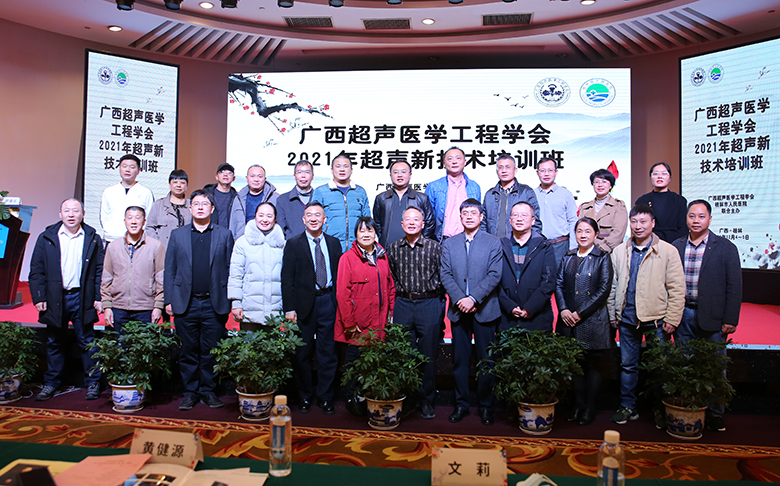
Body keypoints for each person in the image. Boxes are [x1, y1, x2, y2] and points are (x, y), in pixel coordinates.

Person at [607, 204, 685, 426]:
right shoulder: (619, 251)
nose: (638, 226)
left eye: (643, 221)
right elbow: (612, 286)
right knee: (628, 366)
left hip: (657, 319)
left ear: (653, 224)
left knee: (658, 365)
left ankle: (659, 409)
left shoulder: (668, 251)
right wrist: (613, 313)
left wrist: (672, 318)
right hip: (627, 319)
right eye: (634, 221)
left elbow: (677, 288)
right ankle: (627, 406)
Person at [671, 199, 742, 432]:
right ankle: (689, 408)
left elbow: (734, 286)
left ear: (710, 219)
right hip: (683, 314)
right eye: (692, 216)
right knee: (685, 363)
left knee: (715, 366)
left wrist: (730, 318)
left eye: (701, 216)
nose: (696, 220)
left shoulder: (725, 247)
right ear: (686, 218)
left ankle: (714, 412)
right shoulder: (677, 246)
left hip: (713, 316)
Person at [164, 190, 234, 411]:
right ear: (190, 208)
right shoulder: (178, 235)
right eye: (196, 204)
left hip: (214, 303)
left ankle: (209, 391)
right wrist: (169, 299)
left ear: (212, 209)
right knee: (188, 351)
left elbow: (231, 269)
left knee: (211, 350)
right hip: (186, 303)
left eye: (205, 204)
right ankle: (190, 393)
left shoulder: (224, 235)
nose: (201, 207)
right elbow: (170, 269)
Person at [29, 198, 104, 401]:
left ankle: (93, 383)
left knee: (87, 341)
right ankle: (51, 383)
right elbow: (36, 270)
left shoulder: (93, 238)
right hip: (55, 297)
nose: (71, 214)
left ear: (83, 214)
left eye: (75, 211)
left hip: (82, 296)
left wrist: (98, 297)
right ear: (60, 214)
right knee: (54, 341)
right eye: (67, 210)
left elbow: (100, 270)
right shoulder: (46, 237)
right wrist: (39, 296)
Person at [440, 199, 502, 426]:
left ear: (481, 217)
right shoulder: (450, 243)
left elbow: (495, 274)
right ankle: (461, 405)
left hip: (485, 310)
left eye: (473, 213)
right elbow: (445, 274)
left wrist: (473, 298)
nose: (468, 216)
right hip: (459, 312)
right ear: (460, 217)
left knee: (487, 361)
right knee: (460, 361)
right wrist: (460, 300)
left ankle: (486, 406)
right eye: (465, 212)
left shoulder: (493, 242)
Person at [282, 201, 342, 415]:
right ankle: (305, 396)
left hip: (329, 302)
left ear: (325, 219)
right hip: (303, 305)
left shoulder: (334, 243)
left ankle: (326, 397)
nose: (314, 218)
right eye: (309, 215)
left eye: (318, 215)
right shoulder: (293, 244)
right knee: (302, 353)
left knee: (328, 353)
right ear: (303, 219)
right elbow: (287, 279)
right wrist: (289, 308)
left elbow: (340, 275)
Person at [386, 206, 444, 419]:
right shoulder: (393, 248)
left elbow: (443, 276)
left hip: (429, 303)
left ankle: (427, 400)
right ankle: (409, 399)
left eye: (416, 219)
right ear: (402, 224)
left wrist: (438, 304)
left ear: (423, 224)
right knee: (405, 354)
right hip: (403, 303)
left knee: (428, 356)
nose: (411, 223)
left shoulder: (434, 247)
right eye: (407, 219)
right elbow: (391, 276)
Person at [334, 217, 396, 416]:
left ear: (375, 234)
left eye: (370, 230)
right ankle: (351, 399)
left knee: (375, 363)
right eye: (362, 231)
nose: (366, 234)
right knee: (354, 364)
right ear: (356, 235)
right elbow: (342, 294)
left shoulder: (383, 256)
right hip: (358, 324)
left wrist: (391, 314)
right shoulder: (347, 258)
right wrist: (349, 323)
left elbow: (390, 288)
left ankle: (369, 398)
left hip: (380, 322)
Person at [555, 217, 614, 425]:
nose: (583, 235)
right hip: (568, 320)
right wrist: (563, 309)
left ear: (596, 234)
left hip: (592, 321)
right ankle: (577, 406)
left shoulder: (602, 257)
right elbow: (559, 284)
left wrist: (580, 313)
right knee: (574, 366)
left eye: (588, 231)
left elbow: (603, 290)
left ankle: (589, 408)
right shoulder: (568, 256)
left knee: (592, 367)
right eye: (579, 231)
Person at [101, 206, 165, 335]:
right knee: (120, 345)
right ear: (124, 221)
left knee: (145, 346)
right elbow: (106, 278)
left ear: (144, 221)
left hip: (146, 308)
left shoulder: (156, 246)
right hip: (118, 307)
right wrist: (107, 306)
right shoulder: (113, 246)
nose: (133, 221)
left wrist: (158, 306)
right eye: (130, 218)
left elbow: (161, 279)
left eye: (137, 217)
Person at [497, 201, 557, 333]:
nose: (519, 218)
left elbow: (549, 282)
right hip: (506, 318)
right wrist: (510, 306)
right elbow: (495, 281)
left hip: (538, 317)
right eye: (515, 215)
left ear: (533, 220)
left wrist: (530, 308)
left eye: (524, 215)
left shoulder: (544, 246)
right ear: (510, 220)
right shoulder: (499, 245)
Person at [228, 202, 286, 331]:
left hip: (275, 310)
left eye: (269, 216)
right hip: (249, 310)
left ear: (275, 218)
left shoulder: (283, 244)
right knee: (249, 343)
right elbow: (235, 275)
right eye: (261, 215)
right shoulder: (242, 243)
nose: (264, 219)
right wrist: (236, 303)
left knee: (274, 344)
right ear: (255, 216)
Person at [312, 154, 371, 253]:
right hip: (329, 247)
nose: (342, 169)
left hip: (356, 248)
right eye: (338, 166)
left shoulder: (360, 192)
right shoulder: (320, 192)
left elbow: (367, 220)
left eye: (346, 166)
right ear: (332, 170)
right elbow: (314, 220)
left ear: (351, 170)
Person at [373, 160, 435, 248]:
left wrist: (419, 242)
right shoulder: (381, 198)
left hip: (415, 249)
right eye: (395, 172)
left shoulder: (422, 198)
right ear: (391, 176)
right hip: (387, 248)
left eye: (403, 172)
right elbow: (377, 224)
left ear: (410, 175)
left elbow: (430, 224)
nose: (399, 175)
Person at [425, 147, 482, 241]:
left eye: (458, 158)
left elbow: (479, 215)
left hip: (469, 239)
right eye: (450, 159)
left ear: (465, 162)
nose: (454, 162)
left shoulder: (474, 187)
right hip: (442, 240)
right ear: (444, 163)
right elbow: (427, 217)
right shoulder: (433, 187)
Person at [482, 154, 541, 239]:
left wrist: (532, 243)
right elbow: (483, 223)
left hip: (518, 243)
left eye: (508, 167)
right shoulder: (490, 194)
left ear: (515, 170)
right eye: (500, 167)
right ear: (497, 171)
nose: (504, 171)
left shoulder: (526, 192)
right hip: (493, 243)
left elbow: (536, 222)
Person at [100, 154, 155, 242]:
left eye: (132, 167)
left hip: (136, 241)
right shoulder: (109, 191)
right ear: (119, 168)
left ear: (138, 171)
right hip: (111, 240)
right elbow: (104, 216)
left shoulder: (145, 192)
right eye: (124, 166)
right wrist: (109, 231)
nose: (127, 170)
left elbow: (149, 218)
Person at [534, 157, 577, 264]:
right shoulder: (532, 194)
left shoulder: (566, 194)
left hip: (561, 245)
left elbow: (572, 221)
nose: (546, 174)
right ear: (537, 173)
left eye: (550, 170)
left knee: (562, 274)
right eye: (543, 170)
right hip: (538, 245)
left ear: (556, 172)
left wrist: (573, 247)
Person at [635, 162, 687, 243]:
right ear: (651, 177)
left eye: (664, 173)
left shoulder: (679, 200)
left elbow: (683, 228)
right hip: (649, 243)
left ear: (670, 178)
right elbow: (639, 227)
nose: (659, 176)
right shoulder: (642, 201)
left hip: (674, 244)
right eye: (655, 174)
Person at [579, 169, 628, 253]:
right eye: (596, 182)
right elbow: (580, 231)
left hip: (610, 252)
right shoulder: (585, 207)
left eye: (604, 182)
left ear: (611, 185)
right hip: (587, 251)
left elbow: (618, 233)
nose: (600, 185)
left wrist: (600, 250)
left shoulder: (618, 206)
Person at [229, 164, 279, 241]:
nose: (256, 179)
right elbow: (233, 224)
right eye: (252, 176)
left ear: (265, 179)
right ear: (247, 178)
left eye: (260, 176)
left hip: (267, 243)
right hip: (242, 242)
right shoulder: (238, 198)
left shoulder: (275, 198)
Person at [147, 169, 191, 249]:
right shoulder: (159, 204)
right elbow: (149, 227)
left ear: (186, 186)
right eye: (175, 182)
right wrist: (158, 245)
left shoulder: (192, 205)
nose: (178, 185)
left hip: (186, 249)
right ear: (169, 185)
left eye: (182, 183)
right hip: (163, 249)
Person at [277, 160, 315, 239]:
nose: (303, 176)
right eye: (299, 172)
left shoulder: (319, 198)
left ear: (312, 176)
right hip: (292, 245)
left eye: (307, 172)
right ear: (295, 176)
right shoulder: (283, 200)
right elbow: (280, 229)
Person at [202, 163, 238, 228]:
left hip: (227, 233)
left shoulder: (236, 197)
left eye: (229, 172)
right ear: (216, 177)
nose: (225, 174)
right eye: (222, 172)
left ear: (233, 178)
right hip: (209, 231)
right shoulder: (206, 194)